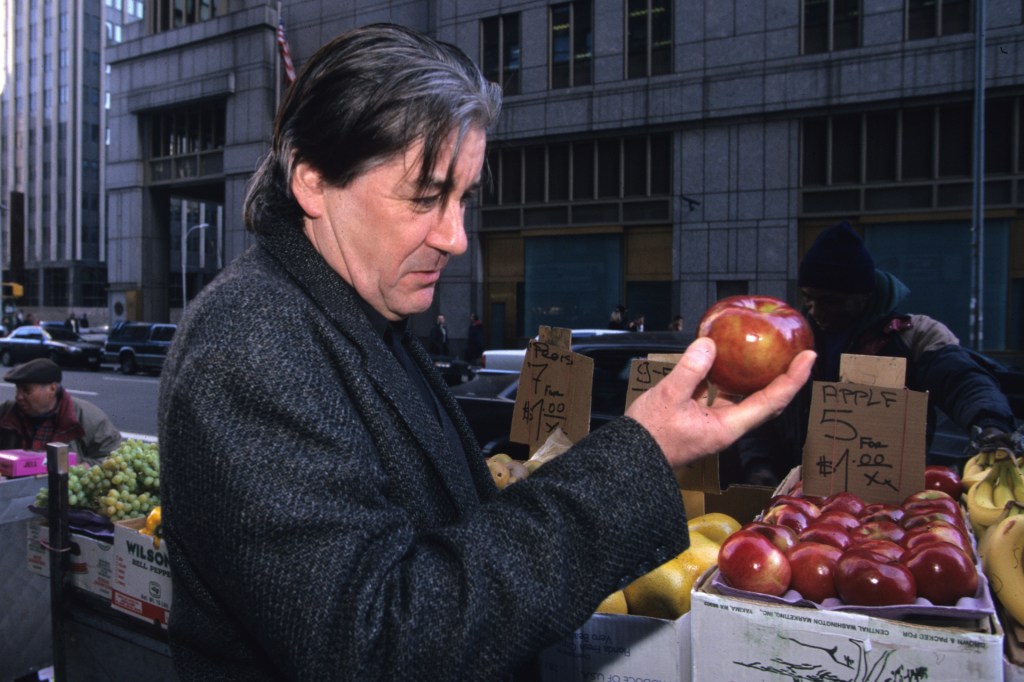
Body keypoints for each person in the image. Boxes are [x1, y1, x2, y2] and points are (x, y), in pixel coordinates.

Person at [158, 23, 814, 681]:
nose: (456, 238)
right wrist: (643, 453)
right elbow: (378, 644)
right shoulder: (251, 345)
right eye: (425, 198)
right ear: (311, 181)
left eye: (463, 198)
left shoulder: (357, 314)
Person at [737, 220, 1017, 486]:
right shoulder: (789, 342)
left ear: (864, 295)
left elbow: (962, 380)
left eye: (830, 301)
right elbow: (762, 407)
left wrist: (989, 423)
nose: (816, 310)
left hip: (888, 497)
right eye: (808, 298)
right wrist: (758, 464)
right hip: (796, 497)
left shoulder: (913, 336)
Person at [0, 358, 121, 464]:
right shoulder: (6, 411)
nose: (18, 396)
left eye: (27, 391)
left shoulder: (88, 417)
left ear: (52, 389)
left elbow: (113, 456)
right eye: (17, 389)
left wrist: (85, 466)